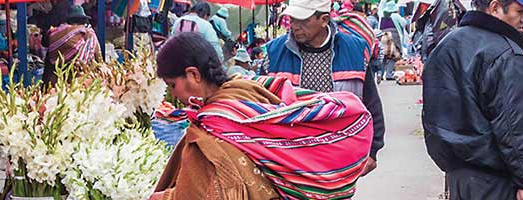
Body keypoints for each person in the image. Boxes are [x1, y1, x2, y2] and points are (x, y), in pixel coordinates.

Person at [151, 32, 374, 200]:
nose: (173, 93)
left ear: (193, 75)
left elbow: (198, 193)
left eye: (173, 84)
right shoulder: (246, 89)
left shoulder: (212, 125)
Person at [420, 0, 523, 199]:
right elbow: (517, 127)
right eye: (520, 11)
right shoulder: (507, 54)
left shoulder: (446, 45)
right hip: (495, 182)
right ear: (495, 7)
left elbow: (432, 118)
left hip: (458, 177)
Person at [261, 0, 386, 165]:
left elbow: (370, 102)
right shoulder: (274, 53)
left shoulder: (355, 50)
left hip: (340, 151)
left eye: (303, 20)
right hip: (289, 154)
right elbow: (259, 104)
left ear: (324, 20)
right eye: (292, 19)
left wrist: (373, 151)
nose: (295, 26)